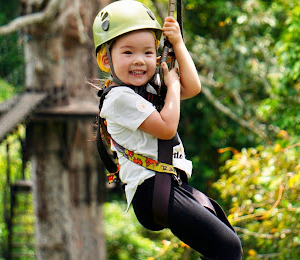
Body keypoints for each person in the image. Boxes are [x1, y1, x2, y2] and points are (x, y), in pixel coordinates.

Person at [93, 1, 242, 259]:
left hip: (168, 184)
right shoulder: (118, 99)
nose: (139, 61)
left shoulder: (146, 91)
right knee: (228, 248)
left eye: (148, 53)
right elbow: (166, 127)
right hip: (151, 190)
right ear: (107, 59)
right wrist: (172, 87)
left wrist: (179, 45)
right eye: (128, 53)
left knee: (225, 240)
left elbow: (192, 88)